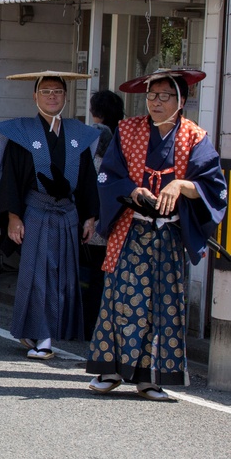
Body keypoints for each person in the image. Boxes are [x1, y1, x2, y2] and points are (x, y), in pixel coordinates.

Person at [87, 69, 227, 400]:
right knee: (122, 299)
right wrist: (132, 191)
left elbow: (214, 186)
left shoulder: (195, 137)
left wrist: (180, 184)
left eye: (165, 96)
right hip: (132, 229)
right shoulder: (128, 130)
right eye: (152, 95)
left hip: (169, 234)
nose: (157, 102)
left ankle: (151, 378)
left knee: (165, 306)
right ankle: (111, 372)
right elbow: (108, 175)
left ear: (181, 100)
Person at [0, 71, 100, 359]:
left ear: (66, 96)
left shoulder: (78, 134)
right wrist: (13, 216)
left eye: (58, 91)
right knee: (37, 276)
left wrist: (90, 217)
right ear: (35, 96)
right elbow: (11, 177)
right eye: (46, 91)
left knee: (62, 277)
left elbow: (88, 178)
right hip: (36, 210)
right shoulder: (23, 132)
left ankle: (46, 334)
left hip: (67, 214)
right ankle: (40, 335)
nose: (52, 96)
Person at [79, 89, 125, 337]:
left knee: (91, 276)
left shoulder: (95, 138)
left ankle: (88, 324)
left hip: (94, 222)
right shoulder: (124, 139)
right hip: (115, 221)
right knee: (107, 275)